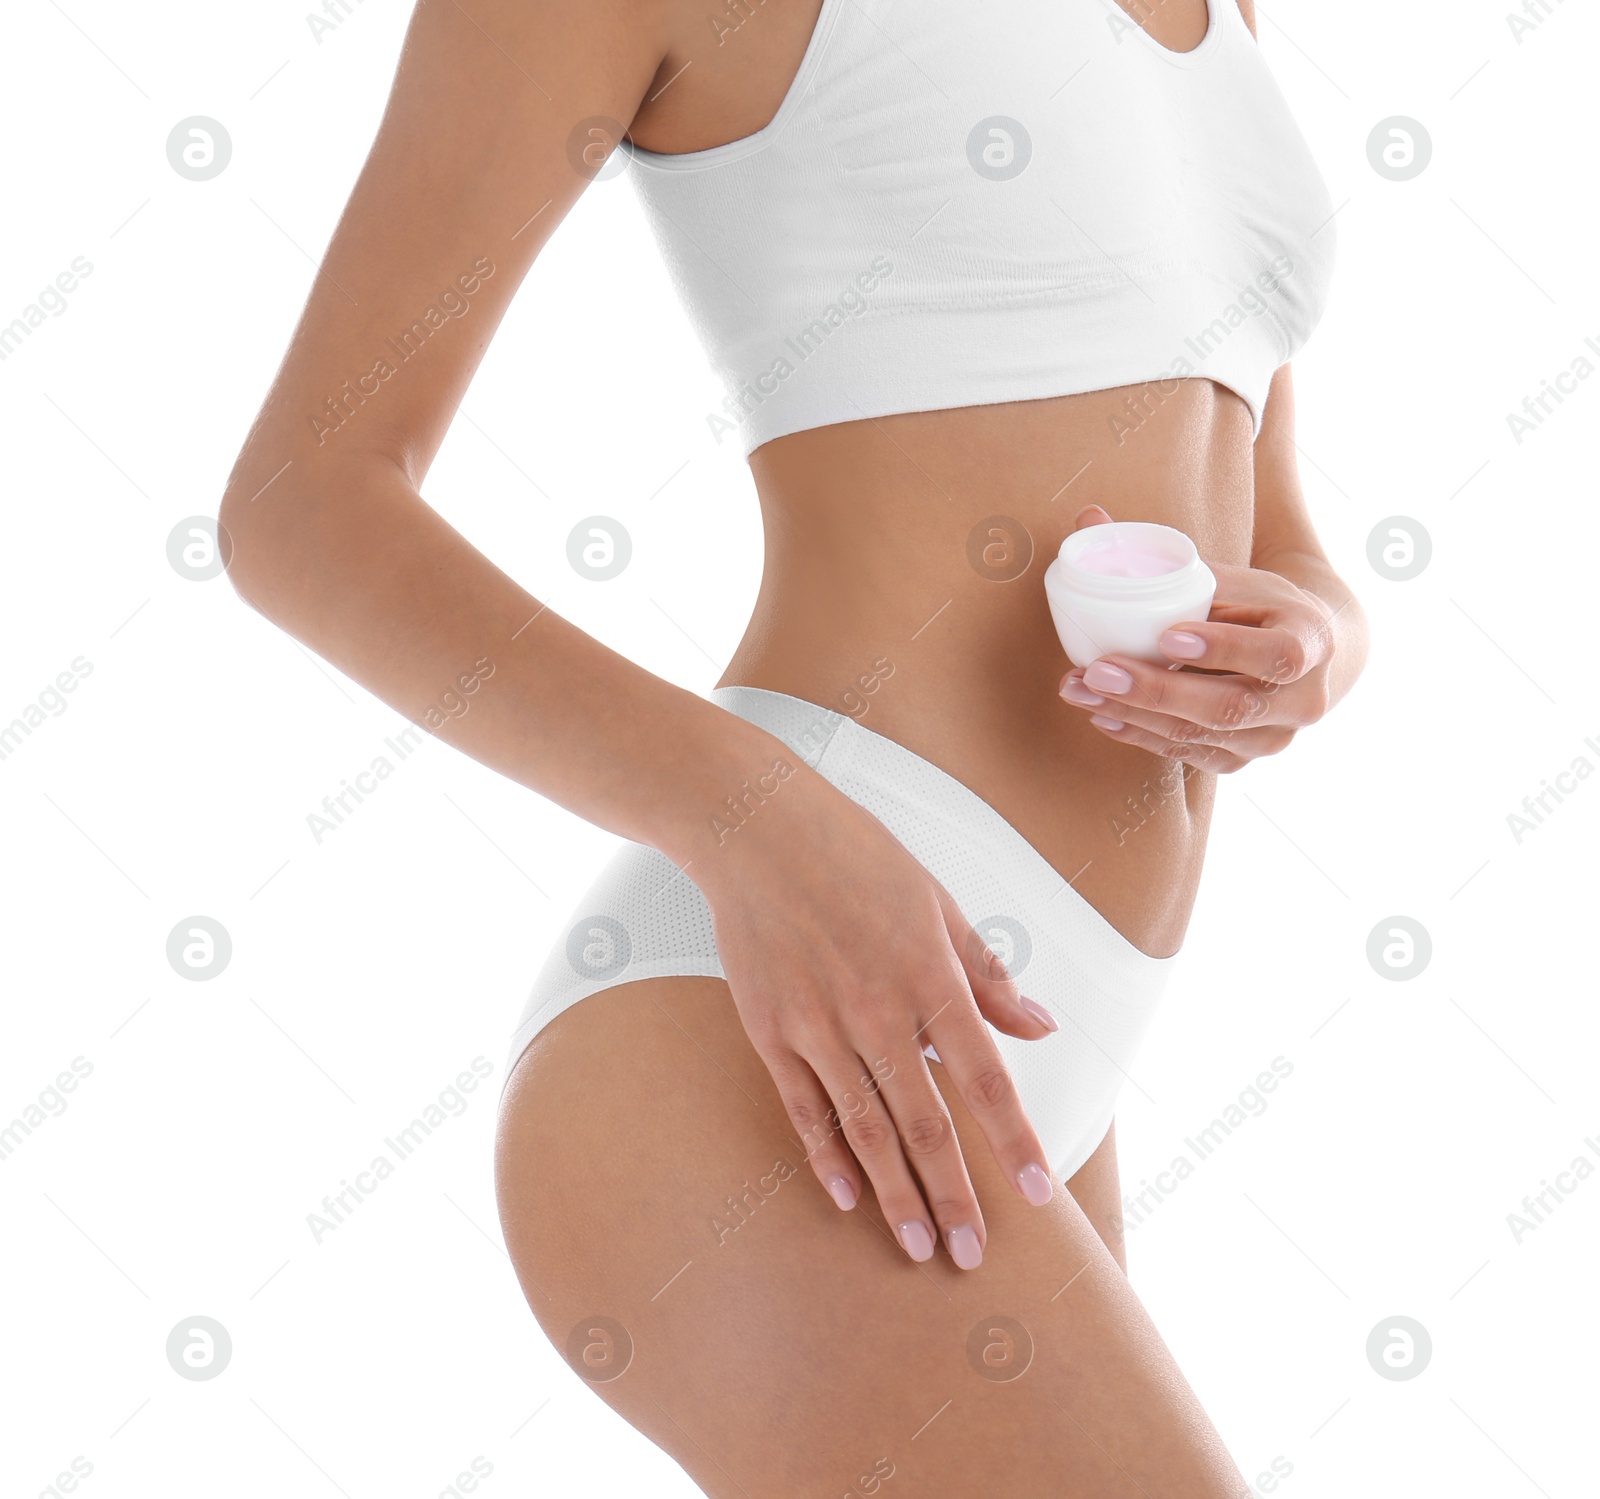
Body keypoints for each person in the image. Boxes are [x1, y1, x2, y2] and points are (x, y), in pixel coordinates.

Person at [219, 0, 1367, 1491]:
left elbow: (1271, 513)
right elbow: (302, 508)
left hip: (1024, 1020)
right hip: (787, 998)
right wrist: (754, 821)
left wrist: (1318, 646)